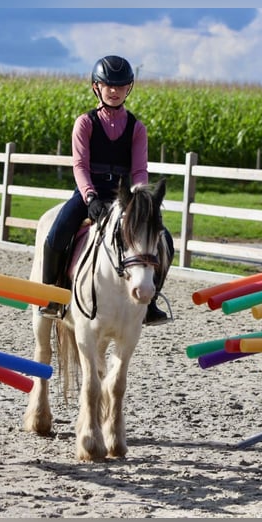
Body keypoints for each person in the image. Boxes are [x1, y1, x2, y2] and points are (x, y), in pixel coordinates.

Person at [39, 54, 173, 325]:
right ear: (96, 87)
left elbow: (139, 171)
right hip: (90, 191)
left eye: (120, 85)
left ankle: (151, 301)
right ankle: (52, 296)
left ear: (129, 88)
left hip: (124, 195)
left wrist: (138, 202)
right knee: (56, 235)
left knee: (165, 239)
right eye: (108, 85)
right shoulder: (85, 123)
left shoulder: (137, 128)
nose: (114, 91)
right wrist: (90, 197)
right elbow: (79, 165)